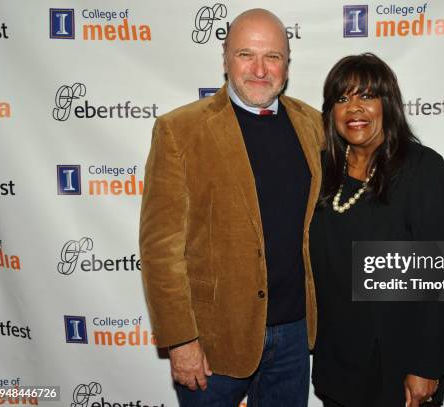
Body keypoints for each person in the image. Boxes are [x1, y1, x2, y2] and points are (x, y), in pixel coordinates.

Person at [139, 9, 324, 406]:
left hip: (294, 336)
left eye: (272, 56)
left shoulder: (312, 124)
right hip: (213, 339)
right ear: (225, 60)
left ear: (287, 64)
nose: (260, 69)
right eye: (246, 54)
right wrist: (180, 340)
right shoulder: (180, 130)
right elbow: (160, 249)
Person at [310, 53, 444, 407]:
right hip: (337, 361)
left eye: (366, 96)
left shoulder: (423, 169)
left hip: (400, 363)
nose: (354, 108)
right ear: (331, 111)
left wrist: (426, 365)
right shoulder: (321, 171)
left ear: (387, 104)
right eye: (342, 98)